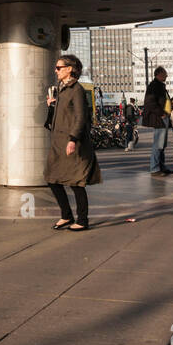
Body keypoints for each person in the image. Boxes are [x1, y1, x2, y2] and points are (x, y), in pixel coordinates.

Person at [44, 54, 101, 231]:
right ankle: (66, 215)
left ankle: (82, 220)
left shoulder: (76, 89)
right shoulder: (61, 89)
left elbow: (81, 117)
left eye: (58, 68)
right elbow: (59, 117)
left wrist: (73, 139)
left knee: (76, 182)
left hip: (72, 142)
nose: (56, 70)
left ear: (70, 69)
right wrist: (52, 106)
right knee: (52, 178)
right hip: (58, 142)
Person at [141, 67, 172, 176]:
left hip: (163, 117)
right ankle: (155, 168)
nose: (166, 76)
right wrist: (162, 113)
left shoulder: (159, 85)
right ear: (159, 74)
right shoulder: (154, 86)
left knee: (162, 144)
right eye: (165, 74)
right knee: (158, 144)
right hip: (159, 118)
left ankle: (161, 166)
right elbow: (150, 102)